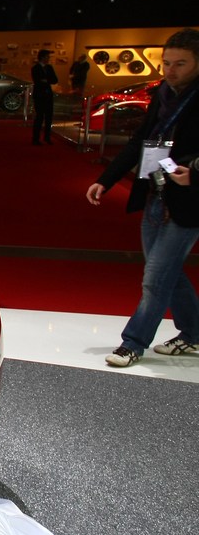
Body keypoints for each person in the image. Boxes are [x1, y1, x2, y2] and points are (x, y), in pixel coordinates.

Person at [86, 28, 199, 368]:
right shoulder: (163, 94)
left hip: (189, 201)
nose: (170, 70)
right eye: (166, 63)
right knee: (165, 272)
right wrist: (106, 180)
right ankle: (194, 333)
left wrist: (194, 172)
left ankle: (133, 343)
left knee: (155, 277)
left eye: (180, 64)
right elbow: (139, 141)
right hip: (155, 193)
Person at [31, 48, 59, 145]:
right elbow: (37, 80)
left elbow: (55, 80)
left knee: (49, 117)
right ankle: (36, 138)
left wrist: (46, 80)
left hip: (48, 95)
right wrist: (47, 80)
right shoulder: (35, 68)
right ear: (42, 57)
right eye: (47, 57)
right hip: (39, 95)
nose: (48, 59)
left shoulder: (49, 67)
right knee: (39, 117)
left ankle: (47, 137)